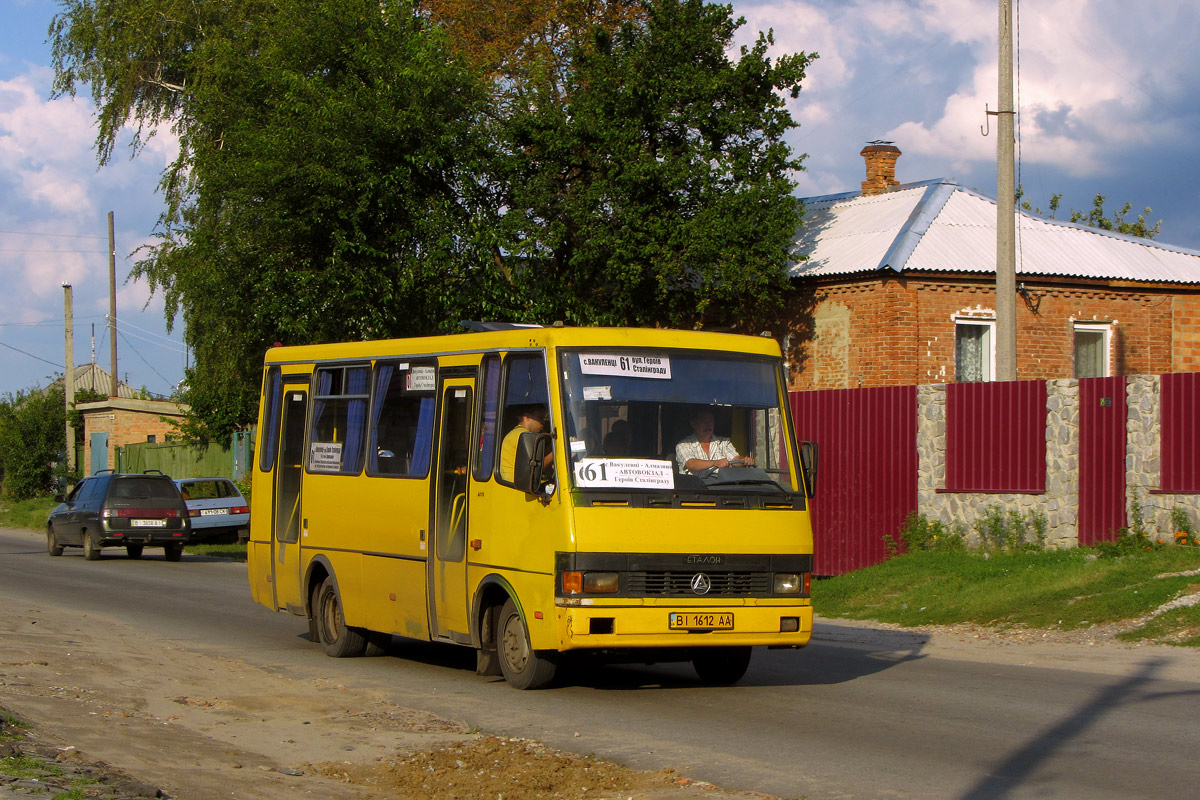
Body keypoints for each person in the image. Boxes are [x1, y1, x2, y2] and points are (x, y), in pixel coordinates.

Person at [675, 408, 754, 475]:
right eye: (703, 421)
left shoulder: (723, 442)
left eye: (711, 421)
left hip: (720, 488)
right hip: (694, 489)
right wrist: (715, 463)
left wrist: (744, 460)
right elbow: (691, 464)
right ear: (693, 423)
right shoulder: (683, 445)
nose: (708, 424)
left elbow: (735, 459)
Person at [499, 404, 552, 483]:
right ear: (527, 417)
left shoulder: (517, 434)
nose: (543, 422)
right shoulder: (522, 435)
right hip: (519, 488)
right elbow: (537, 466)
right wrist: (558, 451)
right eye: (540, 418)